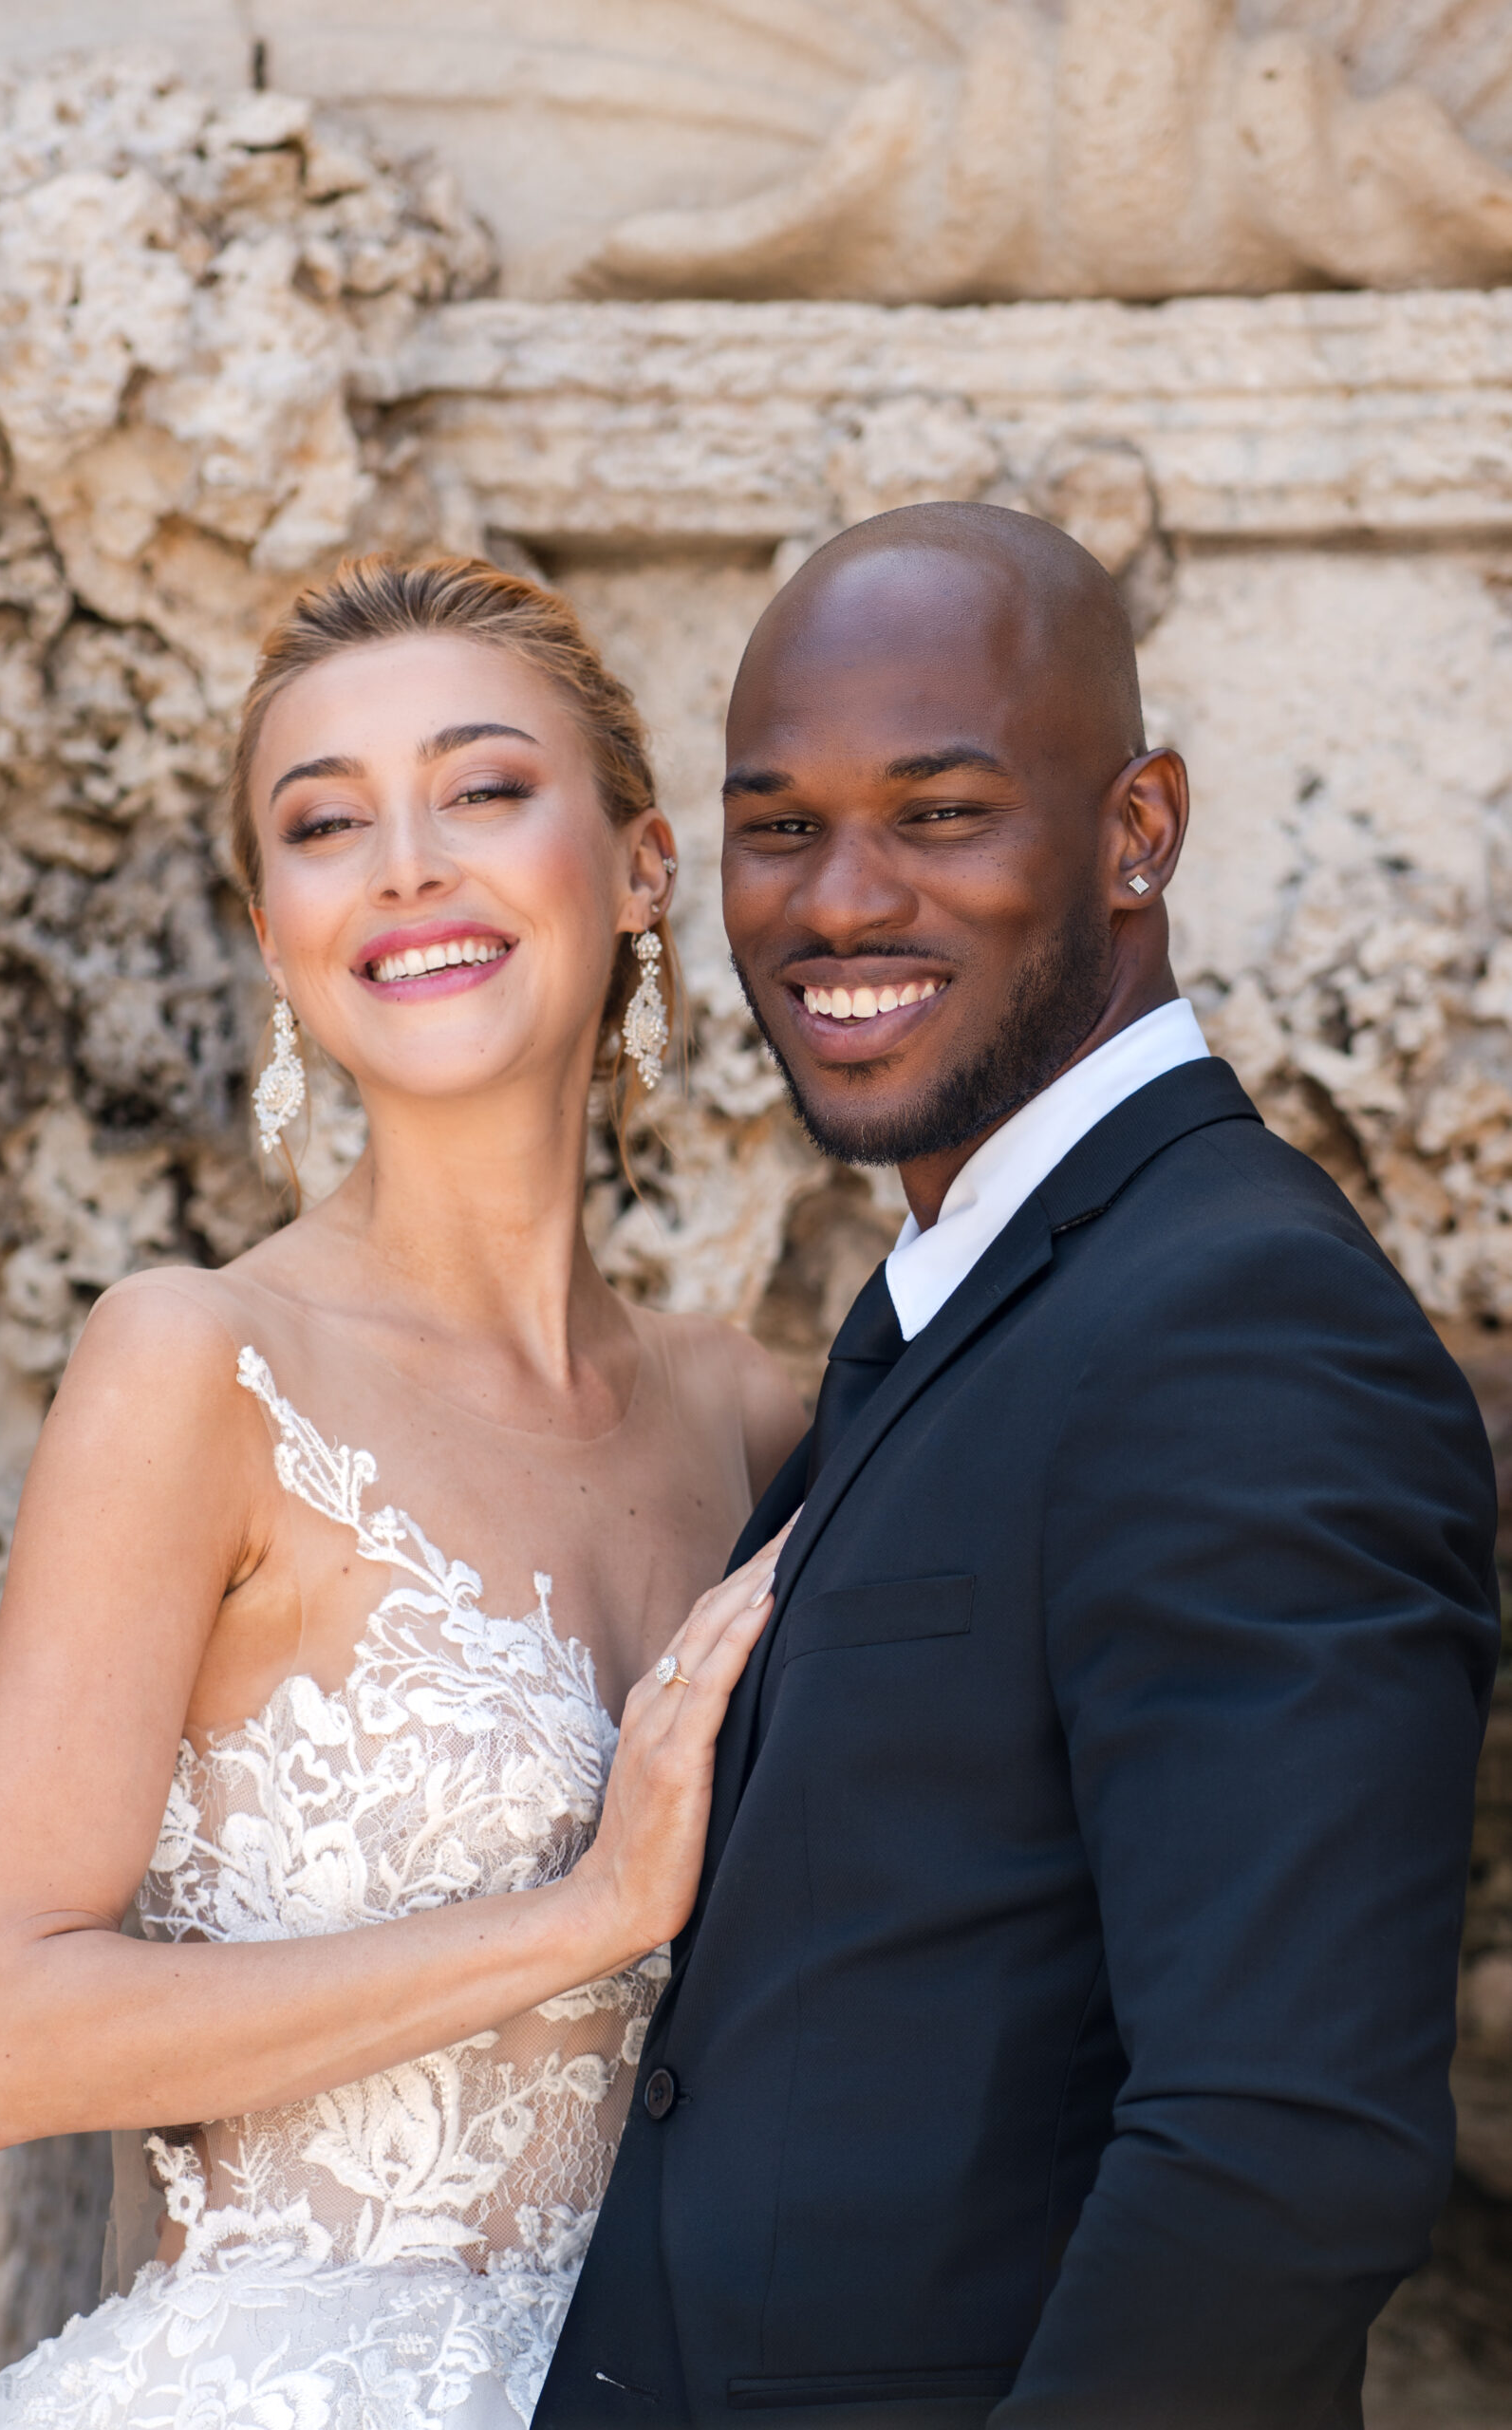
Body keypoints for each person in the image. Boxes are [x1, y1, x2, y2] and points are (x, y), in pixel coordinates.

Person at [535, 502, 1503, 2430]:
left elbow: (1274, 2151)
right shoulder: (971, 1304)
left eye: (939, 810)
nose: (835, 901)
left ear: (1136, 829)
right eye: (782, 822)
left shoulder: (1234, 1322)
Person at [0, 554, 807, 2430]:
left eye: (481, 788)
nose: (404, 861)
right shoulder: (195, 1362)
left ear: (642, 865)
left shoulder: (750, 1409)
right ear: (273, 926)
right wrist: (580, 1914)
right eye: (327, 823)